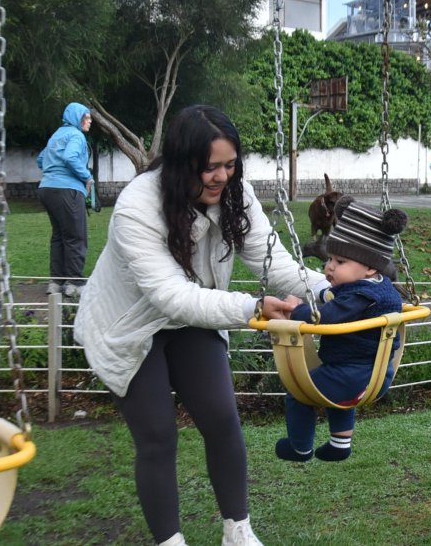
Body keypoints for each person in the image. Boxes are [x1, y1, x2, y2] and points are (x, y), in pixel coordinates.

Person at [75, 105, 326, 546]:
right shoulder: (138, 206)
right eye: (210, 167)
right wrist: (253, 307)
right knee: (158, 436)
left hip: (196, 317)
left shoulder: (236, 196)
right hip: (130, 327)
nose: (221, 176)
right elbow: (171, 296)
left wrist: (333, 292)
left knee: (222, 419)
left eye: (230, 165)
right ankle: (170, 542)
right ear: (181, 162)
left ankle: (238, 532)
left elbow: (278, 267)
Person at [275, 196, 407, 464]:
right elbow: (336, 298)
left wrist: (296, 311)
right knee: (335, 391)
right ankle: (339, 444)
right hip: (371, 375)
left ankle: (299, 447)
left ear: (370, 266)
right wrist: (320, 297)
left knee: (300, 391)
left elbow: (327, 316)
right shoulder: (378, 287)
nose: (330, 266)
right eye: (330, 258)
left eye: (341, 262)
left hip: (355, 375)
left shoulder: (361, 295)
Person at [36, 102, 93, 297]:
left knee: (59, 236)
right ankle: (74, 282)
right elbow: (70, 157)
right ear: (76, 118)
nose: (89, 121)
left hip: (46, 189)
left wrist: (53, 171)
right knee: (76, 235)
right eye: (86, 117)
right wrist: (87, 176)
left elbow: (40, 159)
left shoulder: (57, 135)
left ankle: (56, 282)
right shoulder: (76, 135)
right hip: (67, 190)